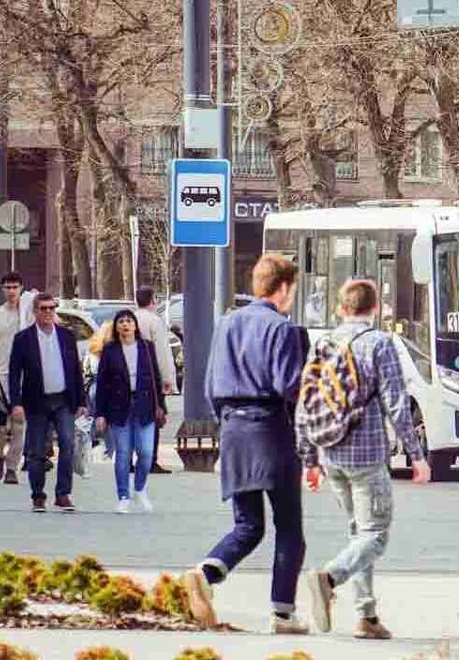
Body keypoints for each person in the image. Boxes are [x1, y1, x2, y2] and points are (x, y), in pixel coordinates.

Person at [181, 254, 308, 635]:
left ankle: (205, 573)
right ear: (284, 288)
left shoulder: (227, 324)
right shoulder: (281, 329)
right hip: (270, 430)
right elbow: (289, 385)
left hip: (233, 431)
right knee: (289, 529)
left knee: (248, 525)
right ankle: (282, 613)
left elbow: (207, 385)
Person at [299, 279, 431, 641]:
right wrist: (416, 454)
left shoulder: (323, 344)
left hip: (330, 453)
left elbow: (305, 403)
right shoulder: (379, 343)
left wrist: (309, 459)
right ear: (375, 309)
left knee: (359, 532)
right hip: (367, 455)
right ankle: (329, 578)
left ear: (341, 308)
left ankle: (366, 617)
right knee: (375, 535)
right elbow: (396, 402)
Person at [8, 292, 87, 513]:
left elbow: (75, 370)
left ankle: (63, 494)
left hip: (63, 400)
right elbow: (14, 374)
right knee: (36, 451)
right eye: (43, 309)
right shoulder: (23, 339)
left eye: (52, 308)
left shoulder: (66, 336)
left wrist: (81, 400)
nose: (48, 312)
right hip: (36, 402)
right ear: (35, 312)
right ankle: (38, 495)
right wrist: (15, 403)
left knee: (67, 444)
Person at [93, 310, 167, 514]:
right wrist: (100, 413)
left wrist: (162, 406)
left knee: (145, 453)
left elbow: (156, 379)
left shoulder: (146, 347)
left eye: (129, 321)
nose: (125, 325)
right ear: (116, 327)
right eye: (121, 322)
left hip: (145, 405)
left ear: (135, 325)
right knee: (123, 454)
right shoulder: (110, 350)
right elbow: (102, 384)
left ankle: (140, 489)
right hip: (119, 407)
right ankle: (123, 496)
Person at [0, 271, 31, 485]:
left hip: (23, 377)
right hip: (0, 376)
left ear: (21, 288)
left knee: (19, 425)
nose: (11, 291)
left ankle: (12, 468)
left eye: (15, 287)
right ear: (2, 290)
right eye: (8, 287)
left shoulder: (28, 314)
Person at [134, 287, 177, 475]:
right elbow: (162, 353)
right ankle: (150, 460)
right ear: (152, 300)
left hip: (130, 378)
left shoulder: (130, 318)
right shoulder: (154, 321)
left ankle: (129, 459)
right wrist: (168, 379)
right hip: (151, 378)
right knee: (154, 417)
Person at [85, 321, 115, 459]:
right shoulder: (111, 351)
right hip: (106, 387)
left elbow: (86, 369)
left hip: (92, 387)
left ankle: (85, 448)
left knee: (91, 420)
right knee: (109, 423)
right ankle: (111, 451)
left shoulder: (92, 349)